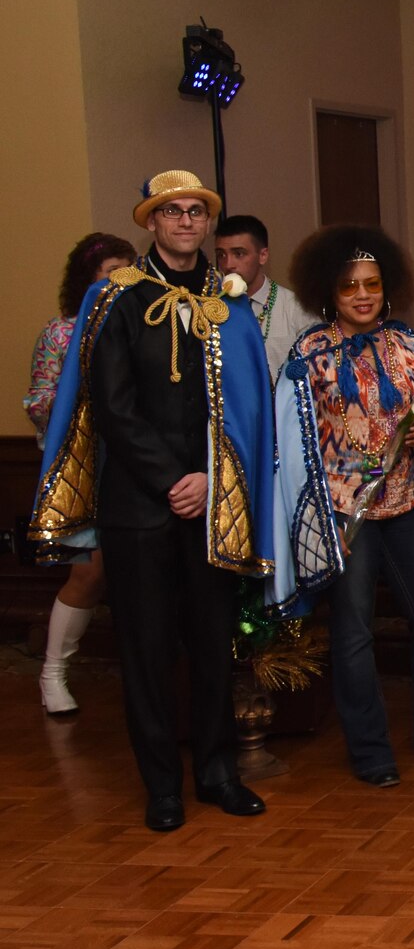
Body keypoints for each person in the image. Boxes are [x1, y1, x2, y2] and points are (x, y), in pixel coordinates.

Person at [27, 170, 273, 831]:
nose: (187, 221)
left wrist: (205, 477)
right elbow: (110, 405)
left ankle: (219, 773)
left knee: (212, 640)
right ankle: (162, 784)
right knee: (147, 647)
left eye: (197, 211)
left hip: (211, 498)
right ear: (152, 222)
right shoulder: (116, 299)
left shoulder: (230, 304)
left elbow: (245, 407)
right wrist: (173, 477)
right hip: (138, 505)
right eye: (174, 212)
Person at [272, 225, 414, 787]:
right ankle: (369, 751)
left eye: (372, 284)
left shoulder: (412, 345)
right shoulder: (308, 354)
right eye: (348, 287)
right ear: (328, 294)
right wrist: (312, 517)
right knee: (354, 634)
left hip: (407, 508)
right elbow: (291, 437)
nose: (362, 295)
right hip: (345, 516)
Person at [25, 231, 135, 714]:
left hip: (137, 467)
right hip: (84, 465)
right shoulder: (61, 332)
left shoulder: (143, 325)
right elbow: (39, 399)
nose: (121, 280)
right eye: (111, 270)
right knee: (89, 574)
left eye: (128, 270)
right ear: (88, 278)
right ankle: (53, 674)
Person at [213, 214, 313, 380]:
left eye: (239, 254)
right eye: (221, 255)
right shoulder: (212, 307)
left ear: (263, 255)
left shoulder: (295, 308)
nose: (228, 264)